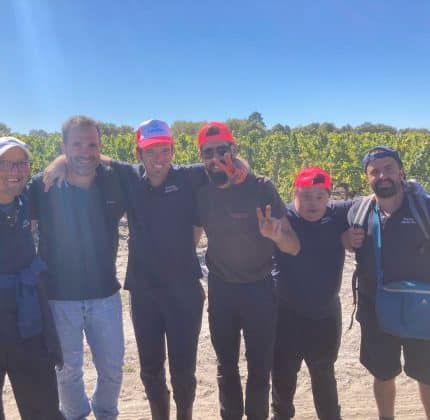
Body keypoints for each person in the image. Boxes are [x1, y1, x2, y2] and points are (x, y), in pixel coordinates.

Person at [195, 122, 300, 420]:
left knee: (259, 367)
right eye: (208, 152)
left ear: (234, 149)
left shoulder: (261, 187)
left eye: (222, 150)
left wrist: (276, 235)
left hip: (260, 290)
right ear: (201, 156)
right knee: (225, 366)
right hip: (221, 290)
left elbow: (293, 246)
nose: (216, 158)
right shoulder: (199, 187)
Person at [27, 116, 126, 420]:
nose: (85, 151)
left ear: (100, 146)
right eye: (77, 145)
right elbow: (26, 231)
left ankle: (105, 411)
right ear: (63, 147)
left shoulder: (113, 180)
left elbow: (137, 167)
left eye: (92, 144)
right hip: (59, 297)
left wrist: (63, 159)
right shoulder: (42, 186)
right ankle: (76, 415)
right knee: (67, 369)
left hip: (105, 295)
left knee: (112, 367)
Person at [342, 146, 430, 420]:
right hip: (374, 309)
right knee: (382, 373)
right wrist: (345, 240)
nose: (382, 175)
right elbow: (319, 218)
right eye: (374, 171)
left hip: (423, 308)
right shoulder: (359, 210)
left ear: (401, 171)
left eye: (389, 168)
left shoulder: (424, 207)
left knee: (427, 375)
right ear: (367, 177)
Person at [272, 167, 352, 420]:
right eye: (305, 196)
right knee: (283, 377)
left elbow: (376, 199)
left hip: (325, 316)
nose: (312, 203)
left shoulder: (339, 214)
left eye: (319, 196)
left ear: (330, 197)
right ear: (294, 194)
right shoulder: (281, 217)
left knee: (324, 376)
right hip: (286, 315)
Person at [0, 137, 64, 419]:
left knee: (43, 403)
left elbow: (64, 162)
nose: (14, 170)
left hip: (26, 314)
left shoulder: (28, 197)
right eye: (4, 163)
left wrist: (61, 160)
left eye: (21, 163)